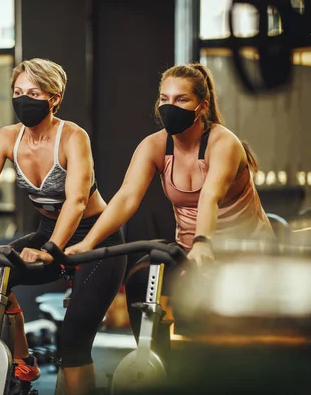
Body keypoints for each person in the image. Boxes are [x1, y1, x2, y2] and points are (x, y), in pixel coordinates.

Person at [0, 58, 127, 395]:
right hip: (48, 230)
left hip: (95, 237)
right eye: (17, 92)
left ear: (54, 98)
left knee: (73, 343)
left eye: (33, 92)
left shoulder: (72, 137)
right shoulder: (8, 138)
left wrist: (52, 250)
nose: (23, 99)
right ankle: (24, 361)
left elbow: (77, 202)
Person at [66, 63, 274, 343]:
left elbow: (210, 196)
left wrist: (202, 241)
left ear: (202, 105)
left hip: (242, 251)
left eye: (181, 99)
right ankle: (155, 363)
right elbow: (127, 198)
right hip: (192, 252)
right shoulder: (154, 146)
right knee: (141, 279)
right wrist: (88, 242)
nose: (169, 106)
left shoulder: (223, 143)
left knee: (216, 331)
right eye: (164, 98)